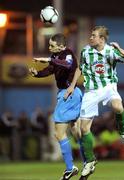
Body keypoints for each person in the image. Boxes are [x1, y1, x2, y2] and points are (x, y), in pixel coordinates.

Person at [64, 26, 124, 179]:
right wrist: (72, 86)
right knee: (84, 129)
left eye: (94, 36)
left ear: (102, 39)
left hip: (109, 87)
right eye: (91, 35)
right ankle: (90, 161)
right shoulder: (86, 51)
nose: (90, 38)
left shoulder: (111, 51)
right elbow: (80, 69)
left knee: (118, 106)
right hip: (91, 91)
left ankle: (123, 131)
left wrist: (120, 48)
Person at [29, 33, 82, 180]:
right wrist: (37, 74)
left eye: (52, 45)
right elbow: (50, 69)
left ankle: (71, 168)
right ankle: (87, 160)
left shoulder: (68, 54)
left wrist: (48, 59)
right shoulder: (56, 57)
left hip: (68, 94)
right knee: (75, 131)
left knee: (59, 133)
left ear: (62, 46)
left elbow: (67, 64)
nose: (49, 47)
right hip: (68, 94)